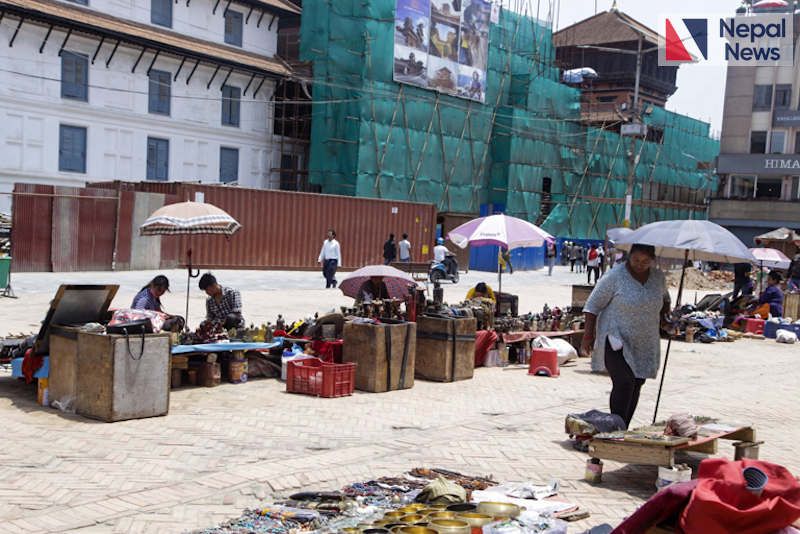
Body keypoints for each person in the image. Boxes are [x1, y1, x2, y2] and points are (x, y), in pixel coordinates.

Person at [581, 244, 672, 427]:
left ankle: (624, 427)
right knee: (625, 382)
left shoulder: (657, 277)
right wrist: (588, 336)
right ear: (629, 256)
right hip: (616, 338)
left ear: (652, 261)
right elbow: (592, 306)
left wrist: (666, 319)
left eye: (645, 262)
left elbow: (665, 300)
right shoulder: (615, 276)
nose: (640, 264)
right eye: (636, 260)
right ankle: (617, 429)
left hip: (645, 341)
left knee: (637, 382)